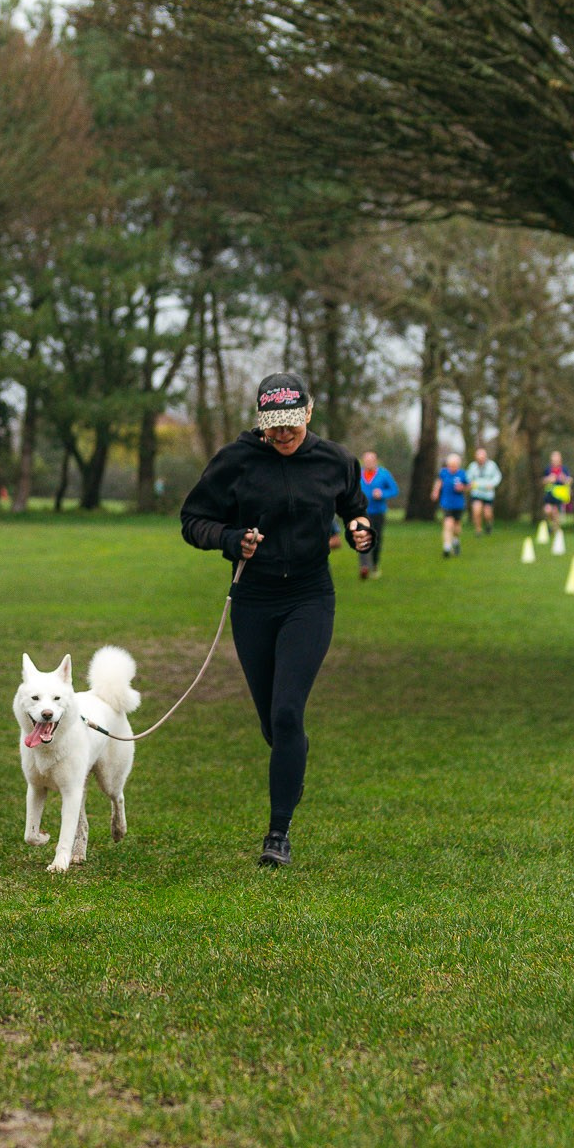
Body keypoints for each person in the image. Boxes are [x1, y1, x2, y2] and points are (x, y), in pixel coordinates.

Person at [179, 372, 371, 869]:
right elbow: (194, 520)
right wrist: (231, 538)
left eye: (291, 425)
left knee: (288, 713)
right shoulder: (237, 461)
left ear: (308, 413)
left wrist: (359, 529)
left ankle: (278, 833)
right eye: (273, 427)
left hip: (309, 597)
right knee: (273, 724)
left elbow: (354, 506)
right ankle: (292, 760)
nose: (282, 436)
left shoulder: (335, 460)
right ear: (260, 421)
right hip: (254, 600)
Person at [356, 452, 399, 581]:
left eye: (371, 461)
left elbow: (394, 490)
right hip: (361, 512)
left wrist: (382, 493)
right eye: (366, 461)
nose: (368, 463)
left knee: (376, 539)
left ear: (376, 461)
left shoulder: (383, 474)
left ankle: (374, 564)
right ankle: (364, 566)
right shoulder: (357, 474)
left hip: (378, 512)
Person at [433, 453, 470, 556]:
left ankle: (456, 540)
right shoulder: (443, 473)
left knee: (457, 527)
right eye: (450, 466)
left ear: (458, 465)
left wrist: (463, 487)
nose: (452, 468)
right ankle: (447, 547)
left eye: (454, 466)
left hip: (458, 504)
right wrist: (435, 491)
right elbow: (439, 482)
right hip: (446, 502)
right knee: (448, 523)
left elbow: (469, 486)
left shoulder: (462, 474)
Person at [464, 446, 502, 536]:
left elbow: (497, 476)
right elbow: (468, 478)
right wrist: (470, 483)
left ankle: (489, 525)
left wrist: (492, 484)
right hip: (476, 492)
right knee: (476, 511)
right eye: (478, 458)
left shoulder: (492, 465)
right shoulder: (472, 466)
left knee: (487, 514)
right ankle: (478, 530)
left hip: (488, 494)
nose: (480, 460)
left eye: (482, 458)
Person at [541, 451, 572, 531]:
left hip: (559, 496)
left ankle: (555, 529)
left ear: (560, 459)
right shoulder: (548, 469)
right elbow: (542, 481)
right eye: (553, 457)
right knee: (547, 510)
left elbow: (570, 480)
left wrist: (564, 479)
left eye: (556, 457)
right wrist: (548, 479)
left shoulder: (564, 469)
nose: (555, 459)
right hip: (549, 495)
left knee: (555, 512)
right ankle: (553, 526)